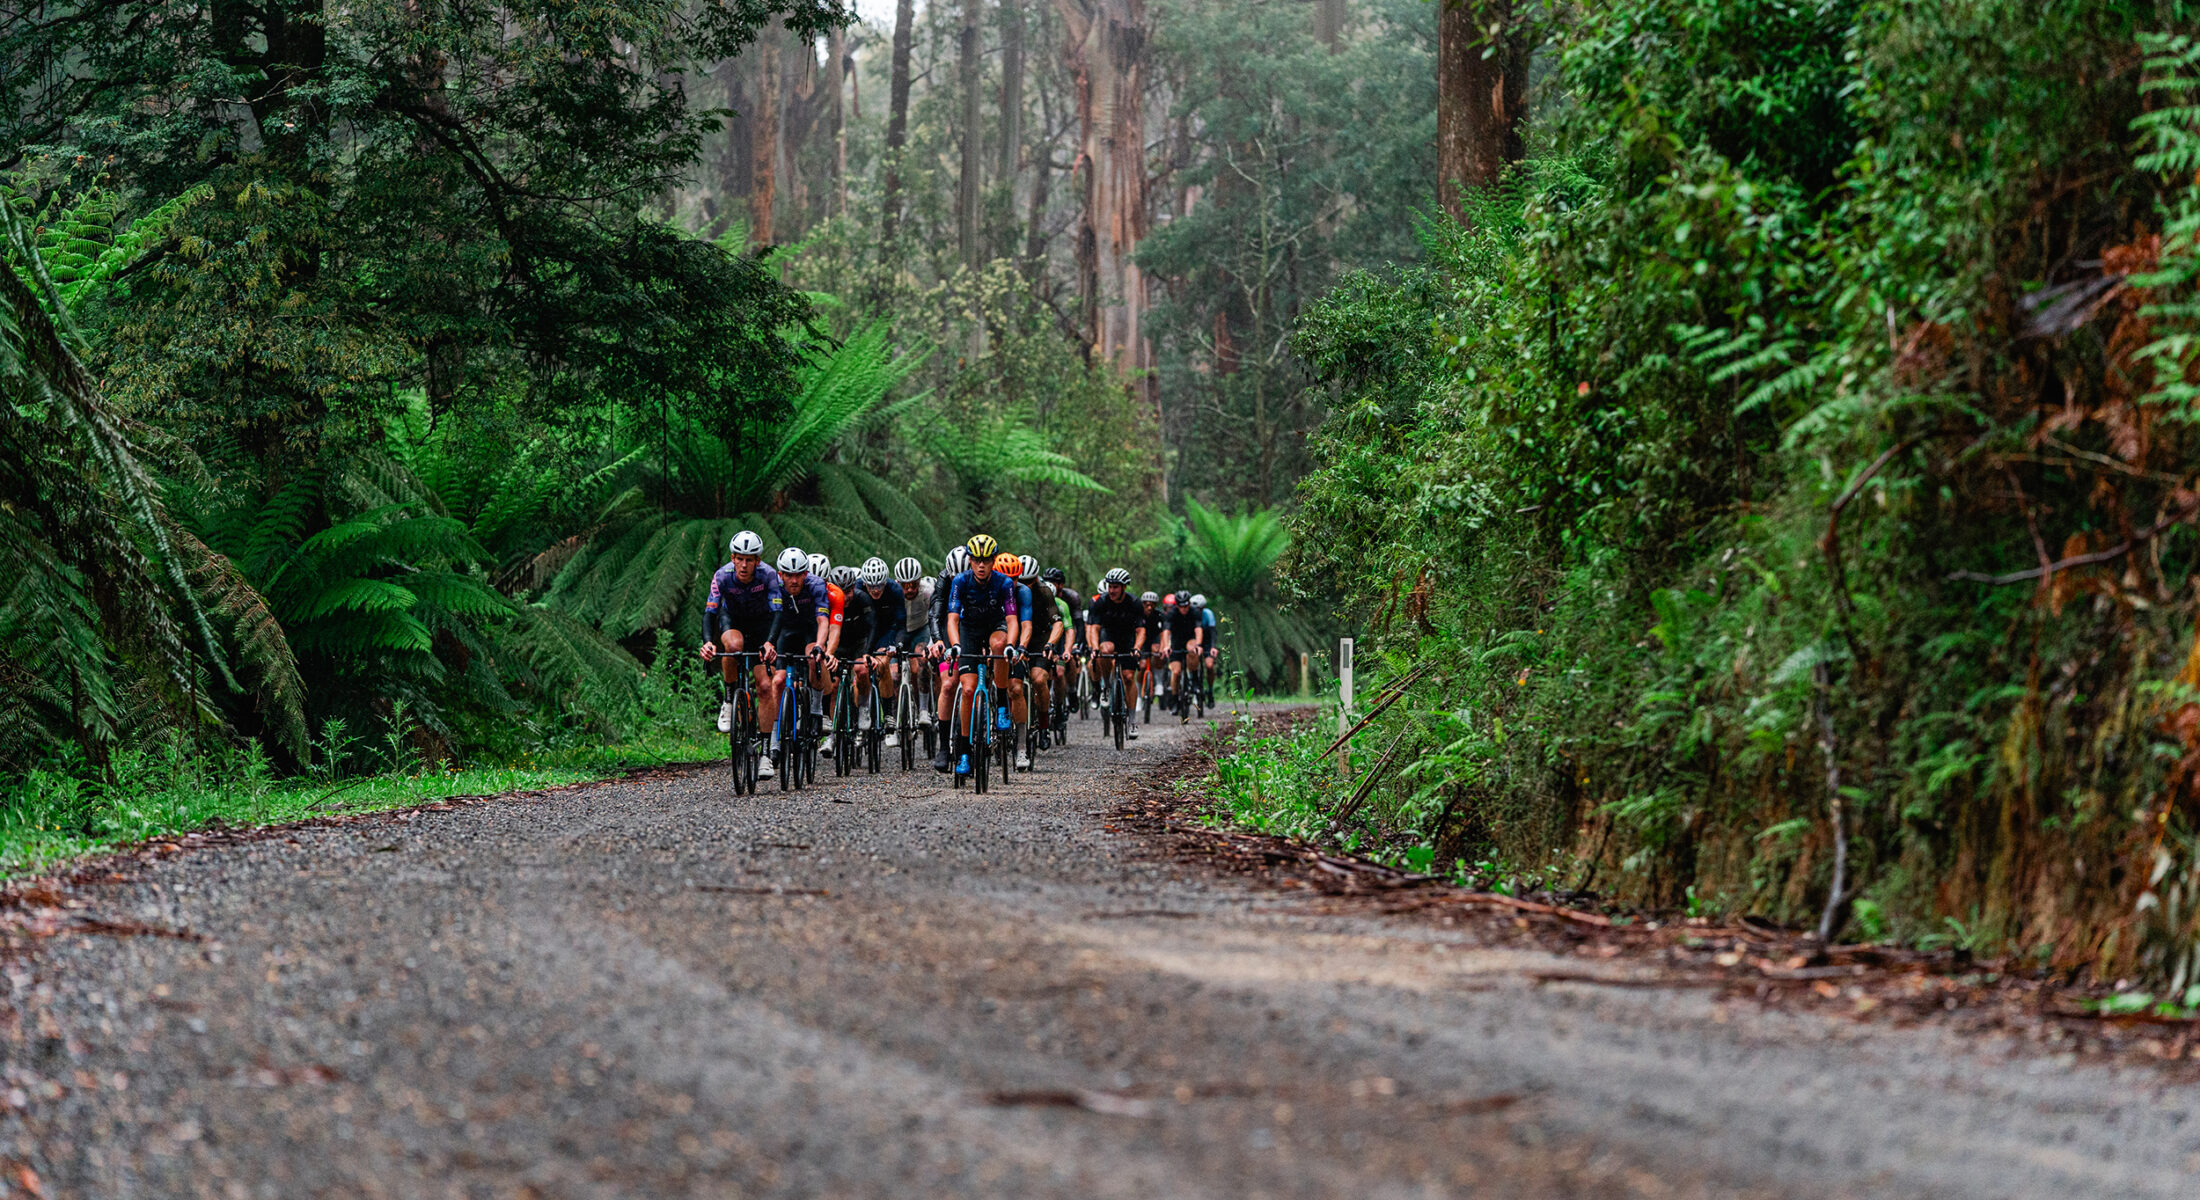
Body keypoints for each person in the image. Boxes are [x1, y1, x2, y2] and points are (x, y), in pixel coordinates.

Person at [698, 531, 783, 779]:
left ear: (758, 560)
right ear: (733, 558)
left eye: (750, 559)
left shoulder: (768, 575)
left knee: (765, 687)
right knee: (732, 646)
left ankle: (766, 752)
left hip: (760, 626)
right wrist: (707, 643)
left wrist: (770, 642)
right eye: (739, 559)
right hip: (732, 621)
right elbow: (710, 613)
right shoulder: (722, 576)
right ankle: (728, 699)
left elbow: (777, 612)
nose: (744, 565)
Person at [943, 535, 1027, 775]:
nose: (982, 565)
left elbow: (1012, 619)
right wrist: (956, 644)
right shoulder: (960, 581)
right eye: (977, 560)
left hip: (994, 626)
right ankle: (964, 753)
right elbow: (952, 619)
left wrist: (1012, 644)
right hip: (968, 632)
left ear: (993, 561)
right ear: (970, 561)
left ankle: (1001, 704)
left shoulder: (1004, 583)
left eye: (987, 560)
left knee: (999, 645)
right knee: (968, 690)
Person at [764, 547, 834, 763]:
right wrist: (769, 643)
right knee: (777, 681)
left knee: (814, 658)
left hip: (808, 631)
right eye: (788, 575)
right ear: (781, 574)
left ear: (805, 574)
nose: (793, 581)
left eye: (798, 575)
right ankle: (775, 741)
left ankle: (815, 710)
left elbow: (823, 620)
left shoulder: (816, 585)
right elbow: (767, 618)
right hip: (784, 632)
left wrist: (820, 646)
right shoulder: (773, 585)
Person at [839, 557, 906, 746]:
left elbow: (901, 623)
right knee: (859, 672)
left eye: (879, 585)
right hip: (866, 631)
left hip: (887, 631)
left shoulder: (894, 590)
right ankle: (857, 715)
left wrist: (896, 645)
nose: (876, 590)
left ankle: (889, 716)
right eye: (871, 586)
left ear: (886, 581)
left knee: (883, 664)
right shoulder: (857, 589)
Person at [1084, 569, 1146, 739]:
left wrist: (1137, 648)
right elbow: (1094, 629)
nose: (1111, 590)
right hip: (1108, 636)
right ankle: (1105, 686)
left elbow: (1141, 630)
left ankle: (1132, 720)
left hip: (1128, 640)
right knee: (1105, 650)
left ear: (1124, 587)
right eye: (1110, 586)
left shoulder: (1134, 602)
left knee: (1128, 677)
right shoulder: (1101, 602)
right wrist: (1094, 648)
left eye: (1116, 587)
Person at [927, 546, 971, 770]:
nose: (958, 580)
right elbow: (935, 613)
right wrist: (937, 640)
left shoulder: (982, 579)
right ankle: (944, 746)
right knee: (948, 685)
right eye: (955, 575)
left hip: (971, 628)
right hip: (947, 629)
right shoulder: (944, 578)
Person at [893, 556, 936, 746]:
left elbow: (935, 617)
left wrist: (933, 643)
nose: (909, 589)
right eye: (905, 585)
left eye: (913, 585)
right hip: (899, 630)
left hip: (921, 629)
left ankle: (924, 709)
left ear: (919, 581)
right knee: (894, 675)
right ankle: (896, 715)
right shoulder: (893, 592)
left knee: (921, 662)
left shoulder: (928, 592)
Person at [1161, 588, 1203, 710]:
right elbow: (1166, 631)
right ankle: (1174, 697)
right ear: (1177, 605)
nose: (1184, 609)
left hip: (1190, 639)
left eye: (1186, 605)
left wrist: (1199, 645)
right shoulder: (1172, 613)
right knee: (1176, 672)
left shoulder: (1194, 612)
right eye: (1181, 606)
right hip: (1176, 642)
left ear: (1189, 604)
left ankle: (1194, 677)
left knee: (1193, 648)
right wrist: (1166, 646)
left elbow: (1198, 629)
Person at [1190, 593, 1219, 701]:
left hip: (1206, 641)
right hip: (1194, 640)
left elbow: (1213, 632)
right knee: (1191, 659)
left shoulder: (1208, 614)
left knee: (1209, 665)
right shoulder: (1189, 615)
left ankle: (1210, 690)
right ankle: (1193, 681)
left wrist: (1213, 647)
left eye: (1199, 609)